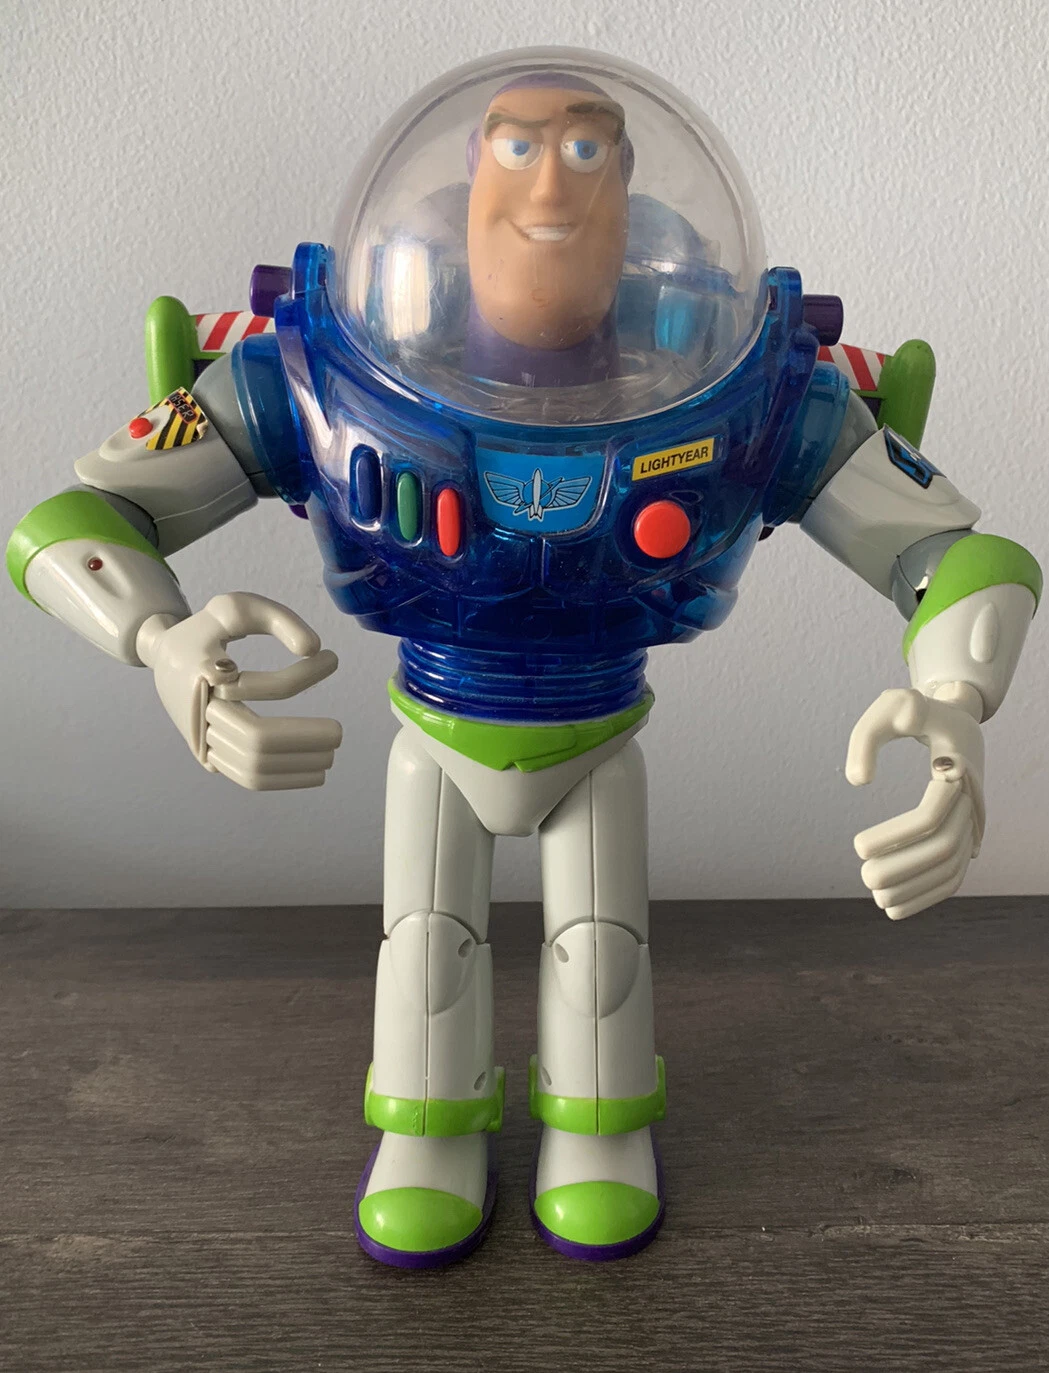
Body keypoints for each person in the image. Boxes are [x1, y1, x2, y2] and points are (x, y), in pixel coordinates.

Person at [7, 49, 1040, 1268]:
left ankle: (600, 1126)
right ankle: (425, 1128)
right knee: (426, 942)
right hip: (434, 725)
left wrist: (953, 695)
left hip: (597, 728)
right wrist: (160, 638)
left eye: (586, 148)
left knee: (599, 951)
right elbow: (77, 523)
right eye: (518, 146)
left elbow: (954, 555)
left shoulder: (755, 385)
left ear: (628, 191)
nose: (550, 186)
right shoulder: (313, 370)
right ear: (467, 180)